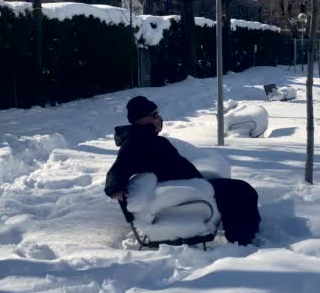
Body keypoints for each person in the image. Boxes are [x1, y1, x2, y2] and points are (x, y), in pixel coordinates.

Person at [104, 96, 261, 245]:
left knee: (238, 190)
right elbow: (119, 168)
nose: (159, 118)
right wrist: (114, 187)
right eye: (154, 115)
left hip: (192, 184)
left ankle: (242, 233)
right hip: (186, 190)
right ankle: (241, 241)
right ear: (141, 119)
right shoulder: (136, 142)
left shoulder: (146, 138)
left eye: (158, 113)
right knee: (241, 191)